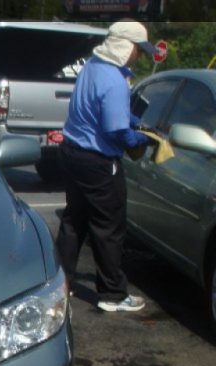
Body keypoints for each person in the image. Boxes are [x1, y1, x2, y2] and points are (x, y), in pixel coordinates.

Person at [56, 19, 156, 312]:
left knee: (74, 221)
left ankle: (63, 283)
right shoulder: (114, 80)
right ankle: (112, 294)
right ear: (125, 46)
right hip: (98, 162)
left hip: (72, 152)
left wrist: (135, 121)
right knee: (108, 227)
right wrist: (144, 138)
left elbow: (100, 112)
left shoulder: (92, 67)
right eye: (138, 49)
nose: (139, 56)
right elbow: (117, 132)